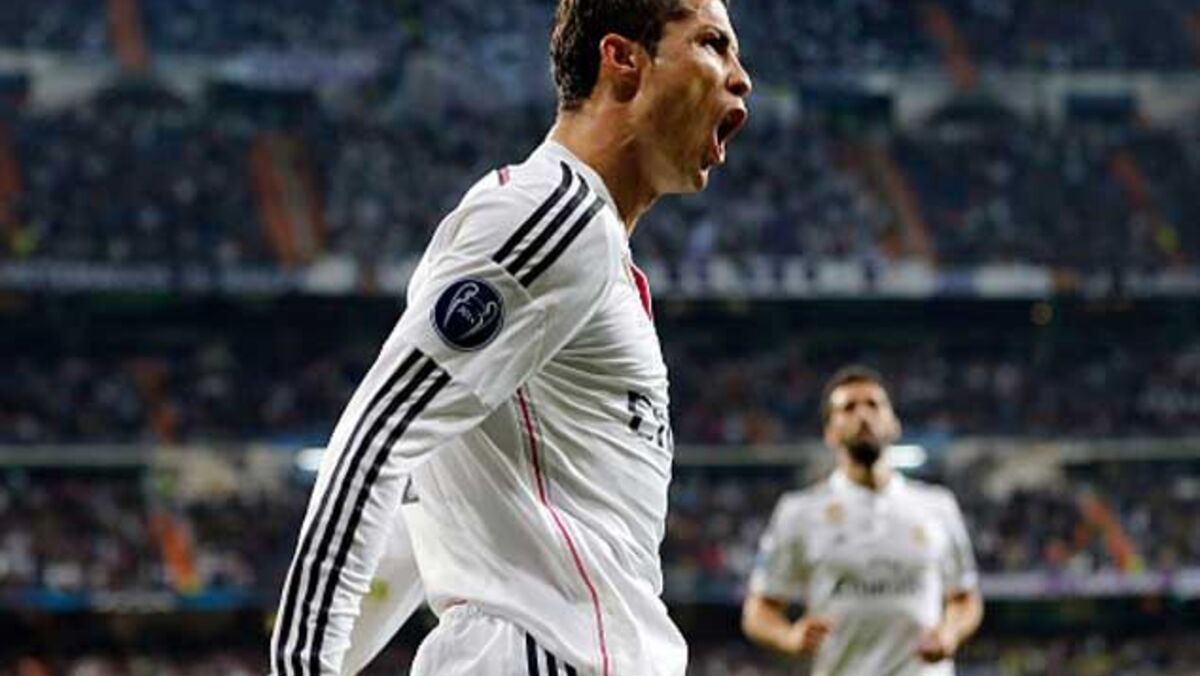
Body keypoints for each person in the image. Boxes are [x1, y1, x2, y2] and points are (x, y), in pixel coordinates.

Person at [269, 1, 751, 674]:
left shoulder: (581, 242)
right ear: (623, 60)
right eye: (712, 43)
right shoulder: (555, 218)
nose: (741, 77)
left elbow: (435, 513)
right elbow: (377, 437)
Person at [742, 365, 984, 675]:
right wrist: (788, 636)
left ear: (894, 423)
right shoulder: (799, 512)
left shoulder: (938, 506)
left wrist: (950, 633)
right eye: (848, 408)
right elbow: (758, 611)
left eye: (873, 404)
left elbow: (965, 598)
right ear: (830, 432)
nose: (863, 415)